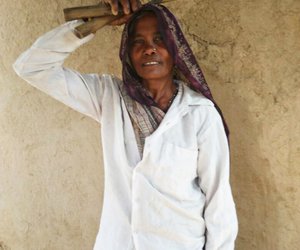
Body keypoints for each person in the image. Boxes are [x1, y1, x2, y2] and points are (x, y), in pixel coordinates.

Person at [13, 1, 238, 249]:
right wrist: (97, 21)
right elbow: (31, 67)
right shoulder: (110, 97)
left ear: (175, 49)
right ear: (128, 52)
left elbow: (218, 201)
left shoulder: (199, 113)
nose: (149, 49)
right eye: (138, 42)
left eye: (160, 39)